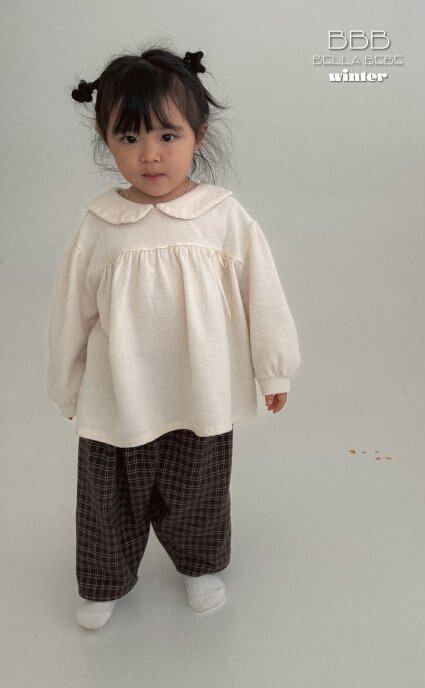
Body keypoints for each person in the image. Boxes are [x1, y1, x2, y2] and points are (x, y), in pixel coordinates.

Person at [47, 46, 301, 629]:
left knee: (199, 488)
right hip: (120, 394)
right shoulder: (100, 225)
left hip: (200, 389)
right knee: (108, 496)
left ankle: (199, 565)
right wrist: (68, 383)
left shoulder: (223, 216)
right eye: (129, 138)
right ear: (106, 140)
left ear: (199, 135)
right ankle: (106, 580)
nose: (150, 155)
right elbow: (71, 312)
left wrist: (274, 367)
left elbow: (262, 293)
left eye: (168, 135)